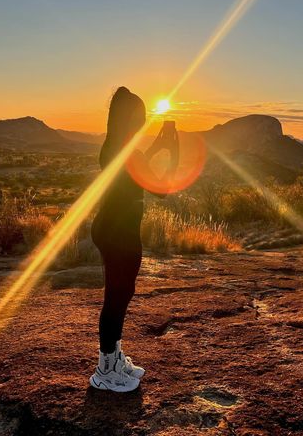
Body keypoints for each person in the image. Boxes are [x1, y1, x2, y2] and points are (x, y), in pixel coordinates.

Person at [89, 86, 179, 392]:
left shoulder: (113, 146)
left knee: (120, 294)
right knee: (117, 297)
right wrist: (172, 149)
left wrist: (155, 147)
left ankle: (113, 357)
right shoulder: (128, 151)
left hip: (111, 228)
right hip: (120, 233)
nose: (144, 122)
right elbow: (162, 189)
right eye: (140, 117)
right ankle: (105, 370)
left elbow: (135, 170)